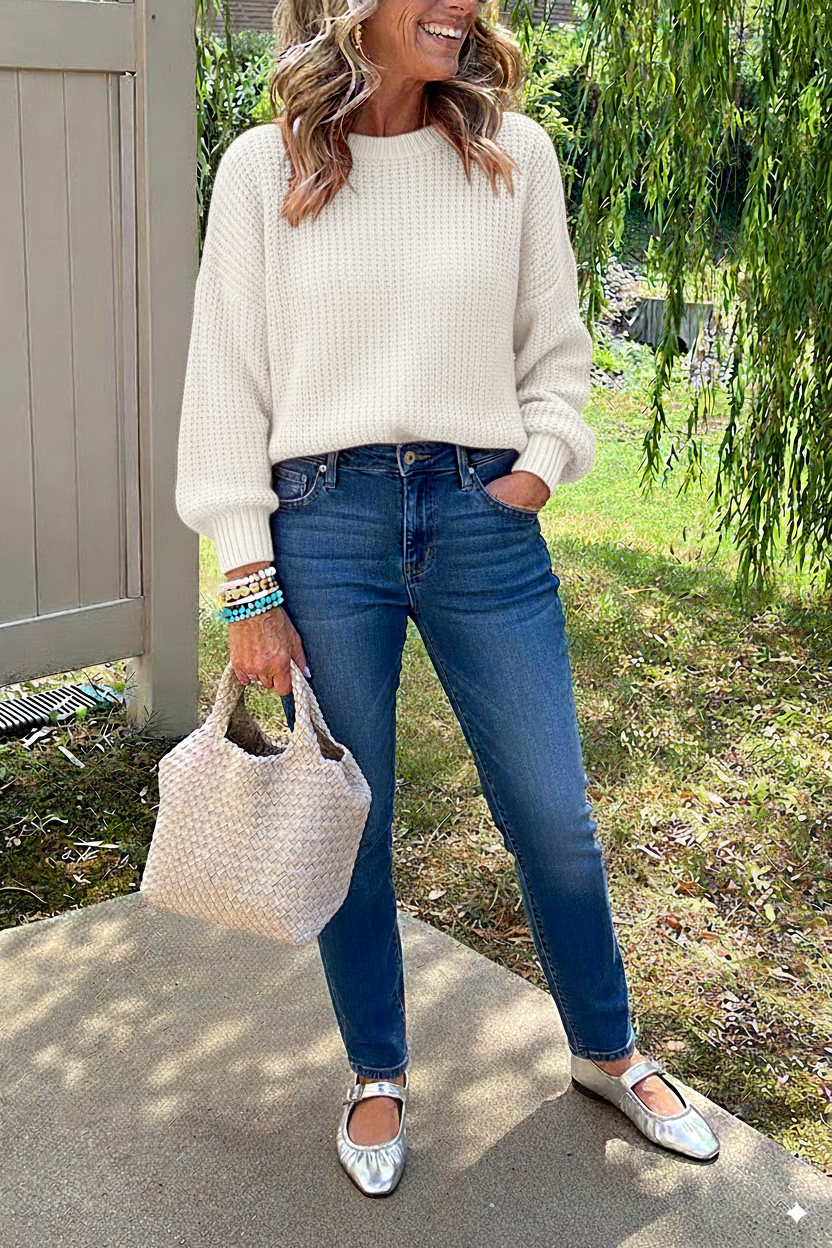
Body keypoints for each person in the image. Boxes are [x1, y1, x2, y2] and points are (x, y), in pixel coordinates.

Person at [175, 0, 720, 1197]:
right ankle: (376, 1070)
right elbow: (225, 377)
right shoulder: (263, 167)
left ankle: (607, 1050)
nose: (466, 5)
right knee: (350, 814)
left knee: (552, 811)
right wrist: (247, 580)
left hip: (483, 518)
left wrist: (541, 463)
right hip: (323, 521)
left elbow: (554, 346)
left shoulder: (514, 154)